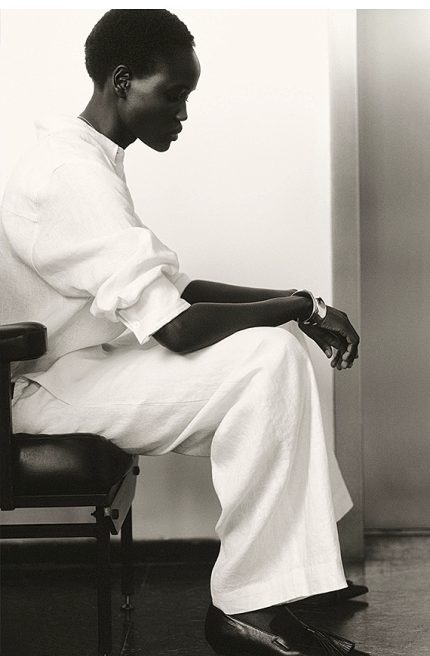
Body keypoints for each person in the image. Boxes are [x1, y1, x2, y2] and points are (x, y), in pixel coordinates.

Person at [0, 9, 370, 655]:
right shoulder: (70, 174)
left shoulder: (85, 158)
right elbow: (175, 326)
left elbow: (174, 287)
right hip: (43, 389)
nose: (183, 113)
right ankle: (254, 603)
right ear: (122, 81)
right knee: (266, 359)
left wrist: (302, 303)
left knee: (270, 355)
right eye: (173, 94)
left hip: (81, 368)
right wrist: (299, 309)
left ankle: (288, 573)